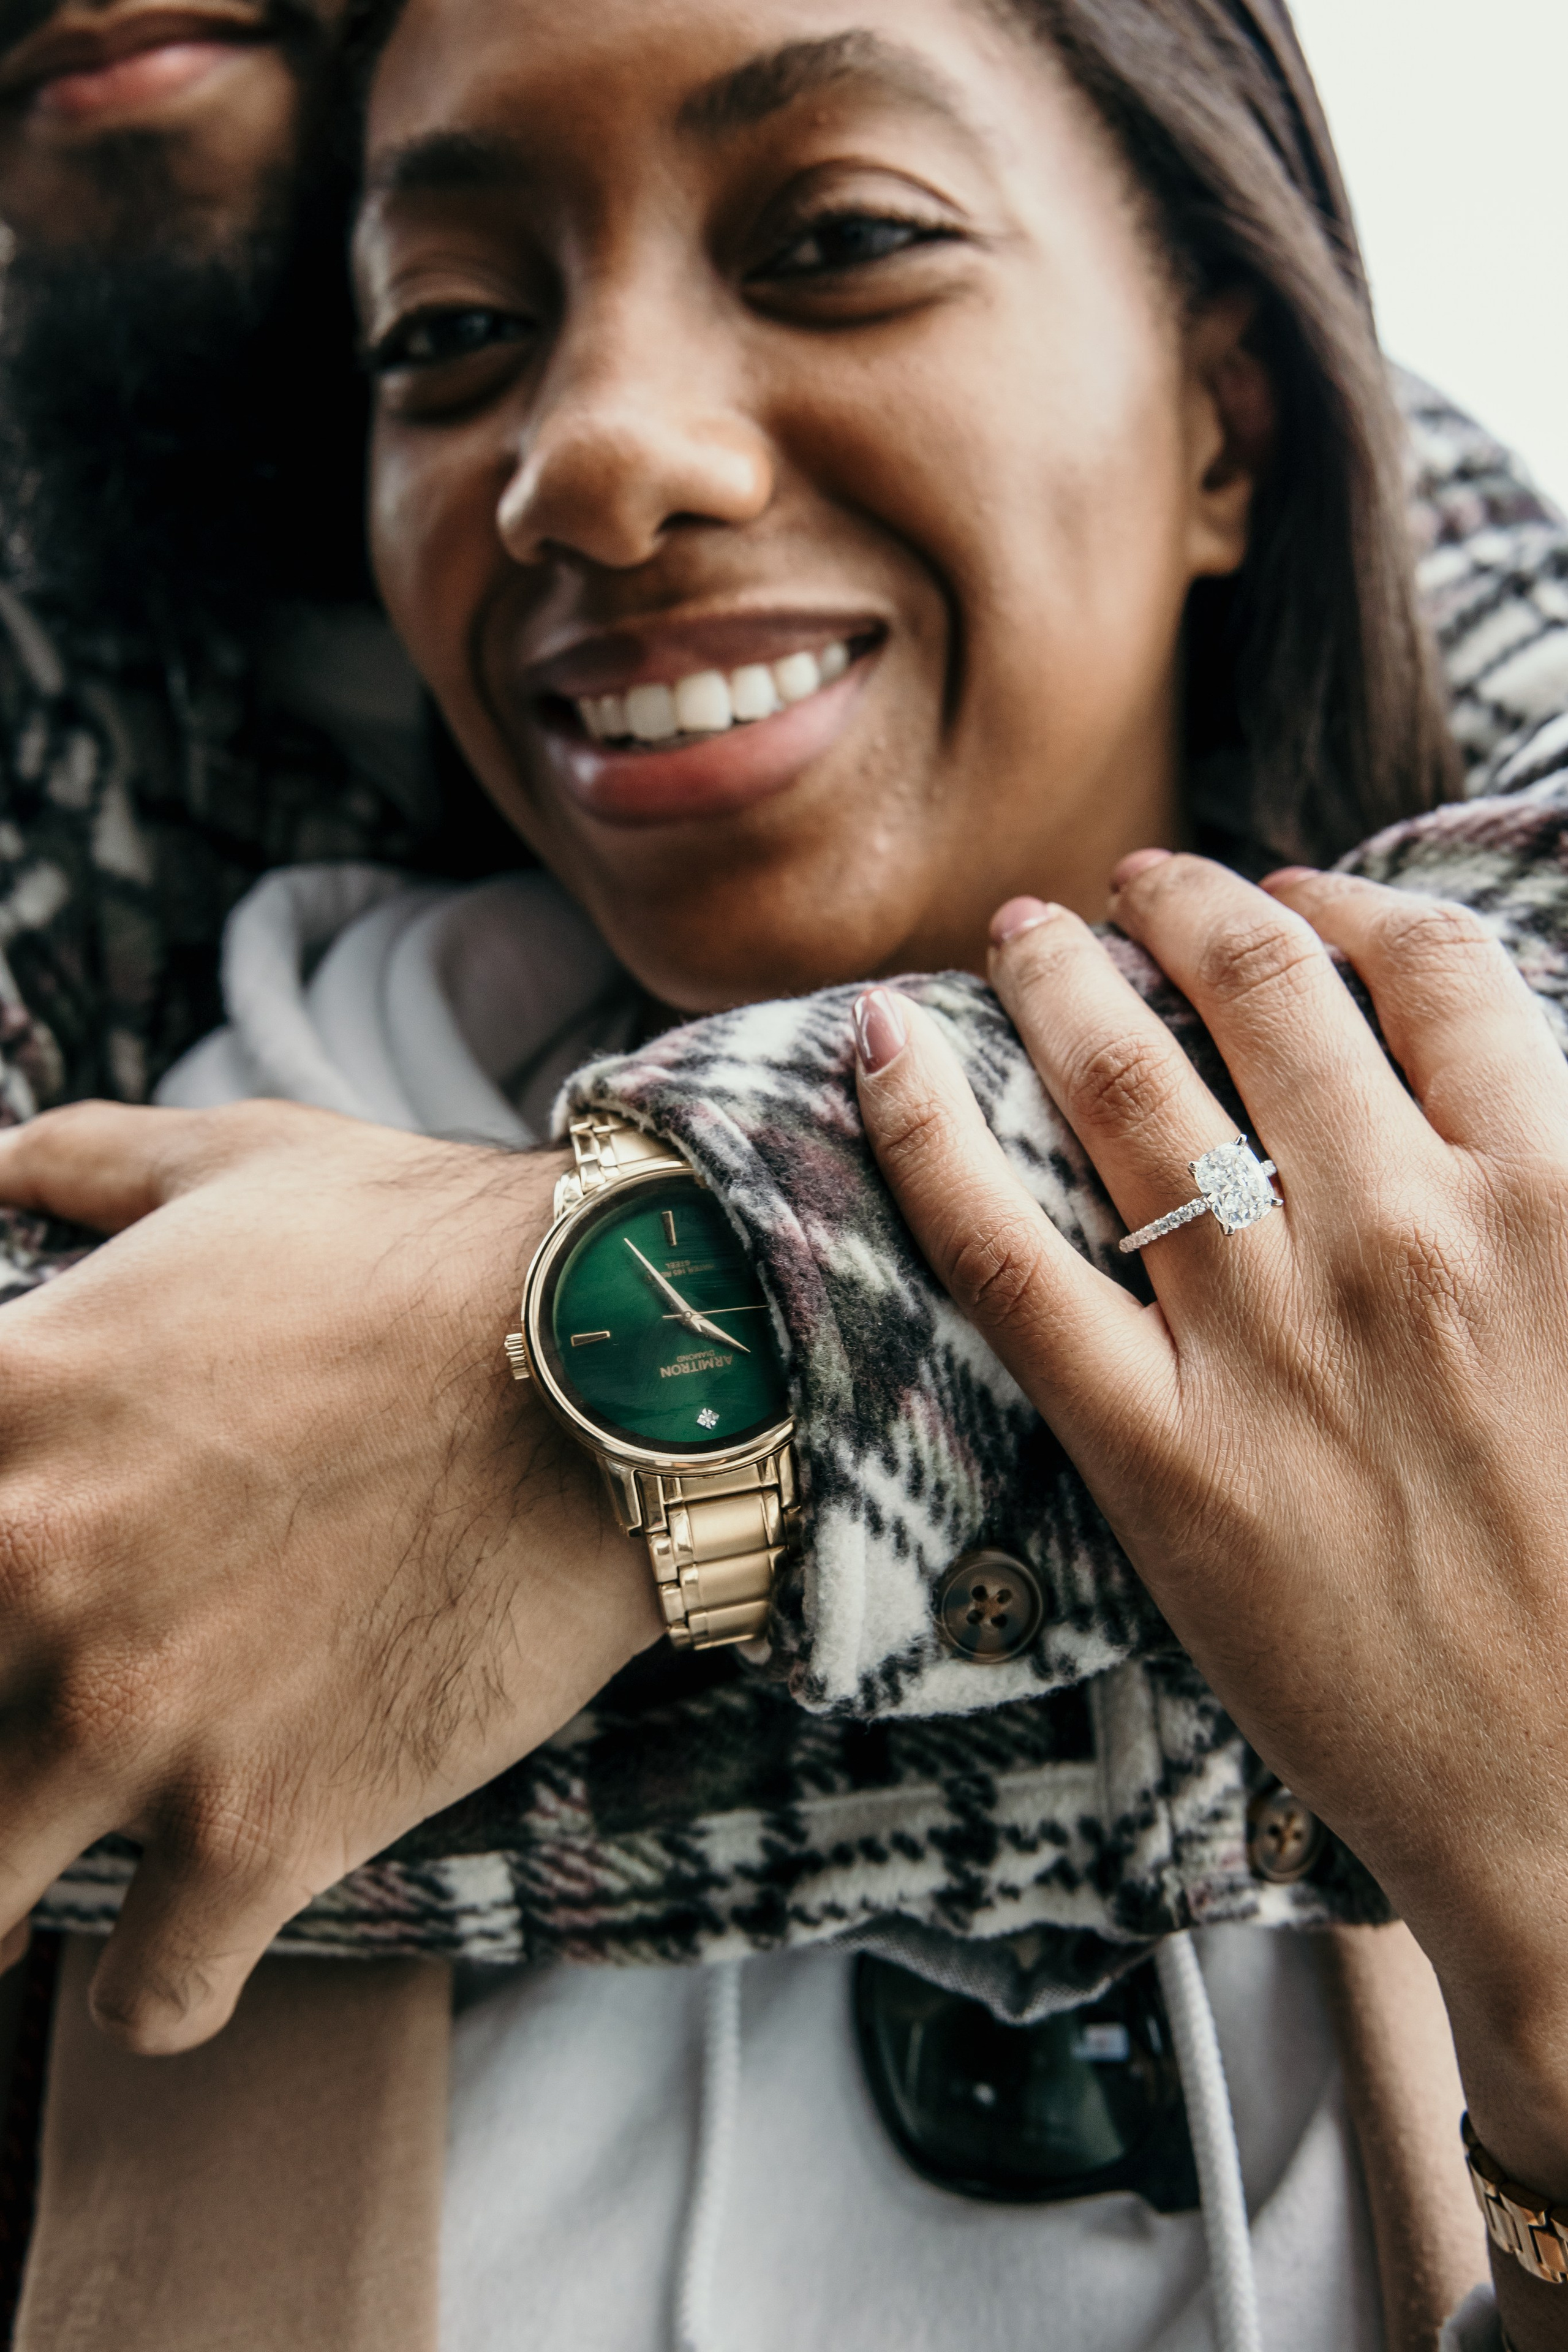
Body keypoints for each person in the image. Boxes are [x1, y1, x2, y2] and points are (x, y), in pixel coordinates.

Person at [2, 0, 1568, 2345]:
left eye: (843, 238)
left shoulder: (1496, 1169)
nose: (597, 464)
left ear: (1232, 416)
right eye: (444, 335)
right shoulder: (155, 1190)